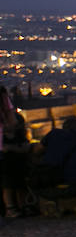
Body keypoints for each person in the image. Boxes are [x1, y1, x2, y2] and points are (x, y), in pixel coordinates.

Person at [1, 86, 34, 218]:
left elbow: (24, 139)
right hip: (7, 159)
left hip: (16, 156)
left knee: (20, 178)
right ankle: (12, 208)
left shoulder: (16, 119)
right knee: (8, 179)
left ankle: (22, 206)